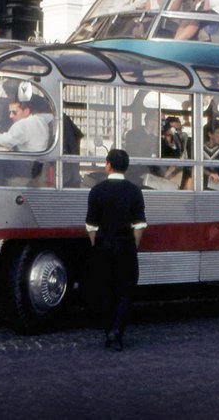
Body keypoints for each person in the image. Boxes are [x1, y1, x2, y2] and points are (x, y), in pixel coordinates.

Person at [85, 149, 147, 352]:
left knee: (105, 290)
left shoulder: (97, 191)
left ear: (108, 165)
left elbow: (91, 227)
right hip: (126, 245)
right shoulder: (134, 191)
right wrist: (132, 246)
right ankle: (117, 332)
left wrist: (98, 244)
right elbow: (139, 226)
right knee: (125, 292)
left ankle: (107, 331)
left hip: (103, 246)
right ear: (126, 167)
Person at [0, 99, 53, 185]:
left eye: (14, 112)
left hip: (30, 165)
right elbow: (51, 116)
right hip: (38, 164)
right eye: (10, 112)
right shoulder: (40, 119)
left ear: (26, 111)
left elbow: (7, 140)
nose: (11, 116)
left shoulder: (24, 124)